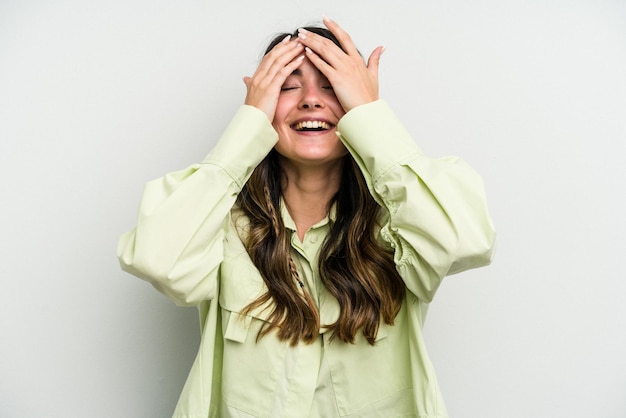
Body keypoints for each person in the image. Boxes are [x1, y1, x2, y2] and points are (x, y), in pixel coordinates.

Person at [118, 16, 495, 418]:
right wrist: (247, 126)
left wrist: (371, 116)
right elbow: (157, 261)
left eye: (333, 86)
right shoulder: (218, 218)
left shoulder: (403, 216)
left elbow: (463, 243)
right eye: (288, 85)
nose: (311, 100)